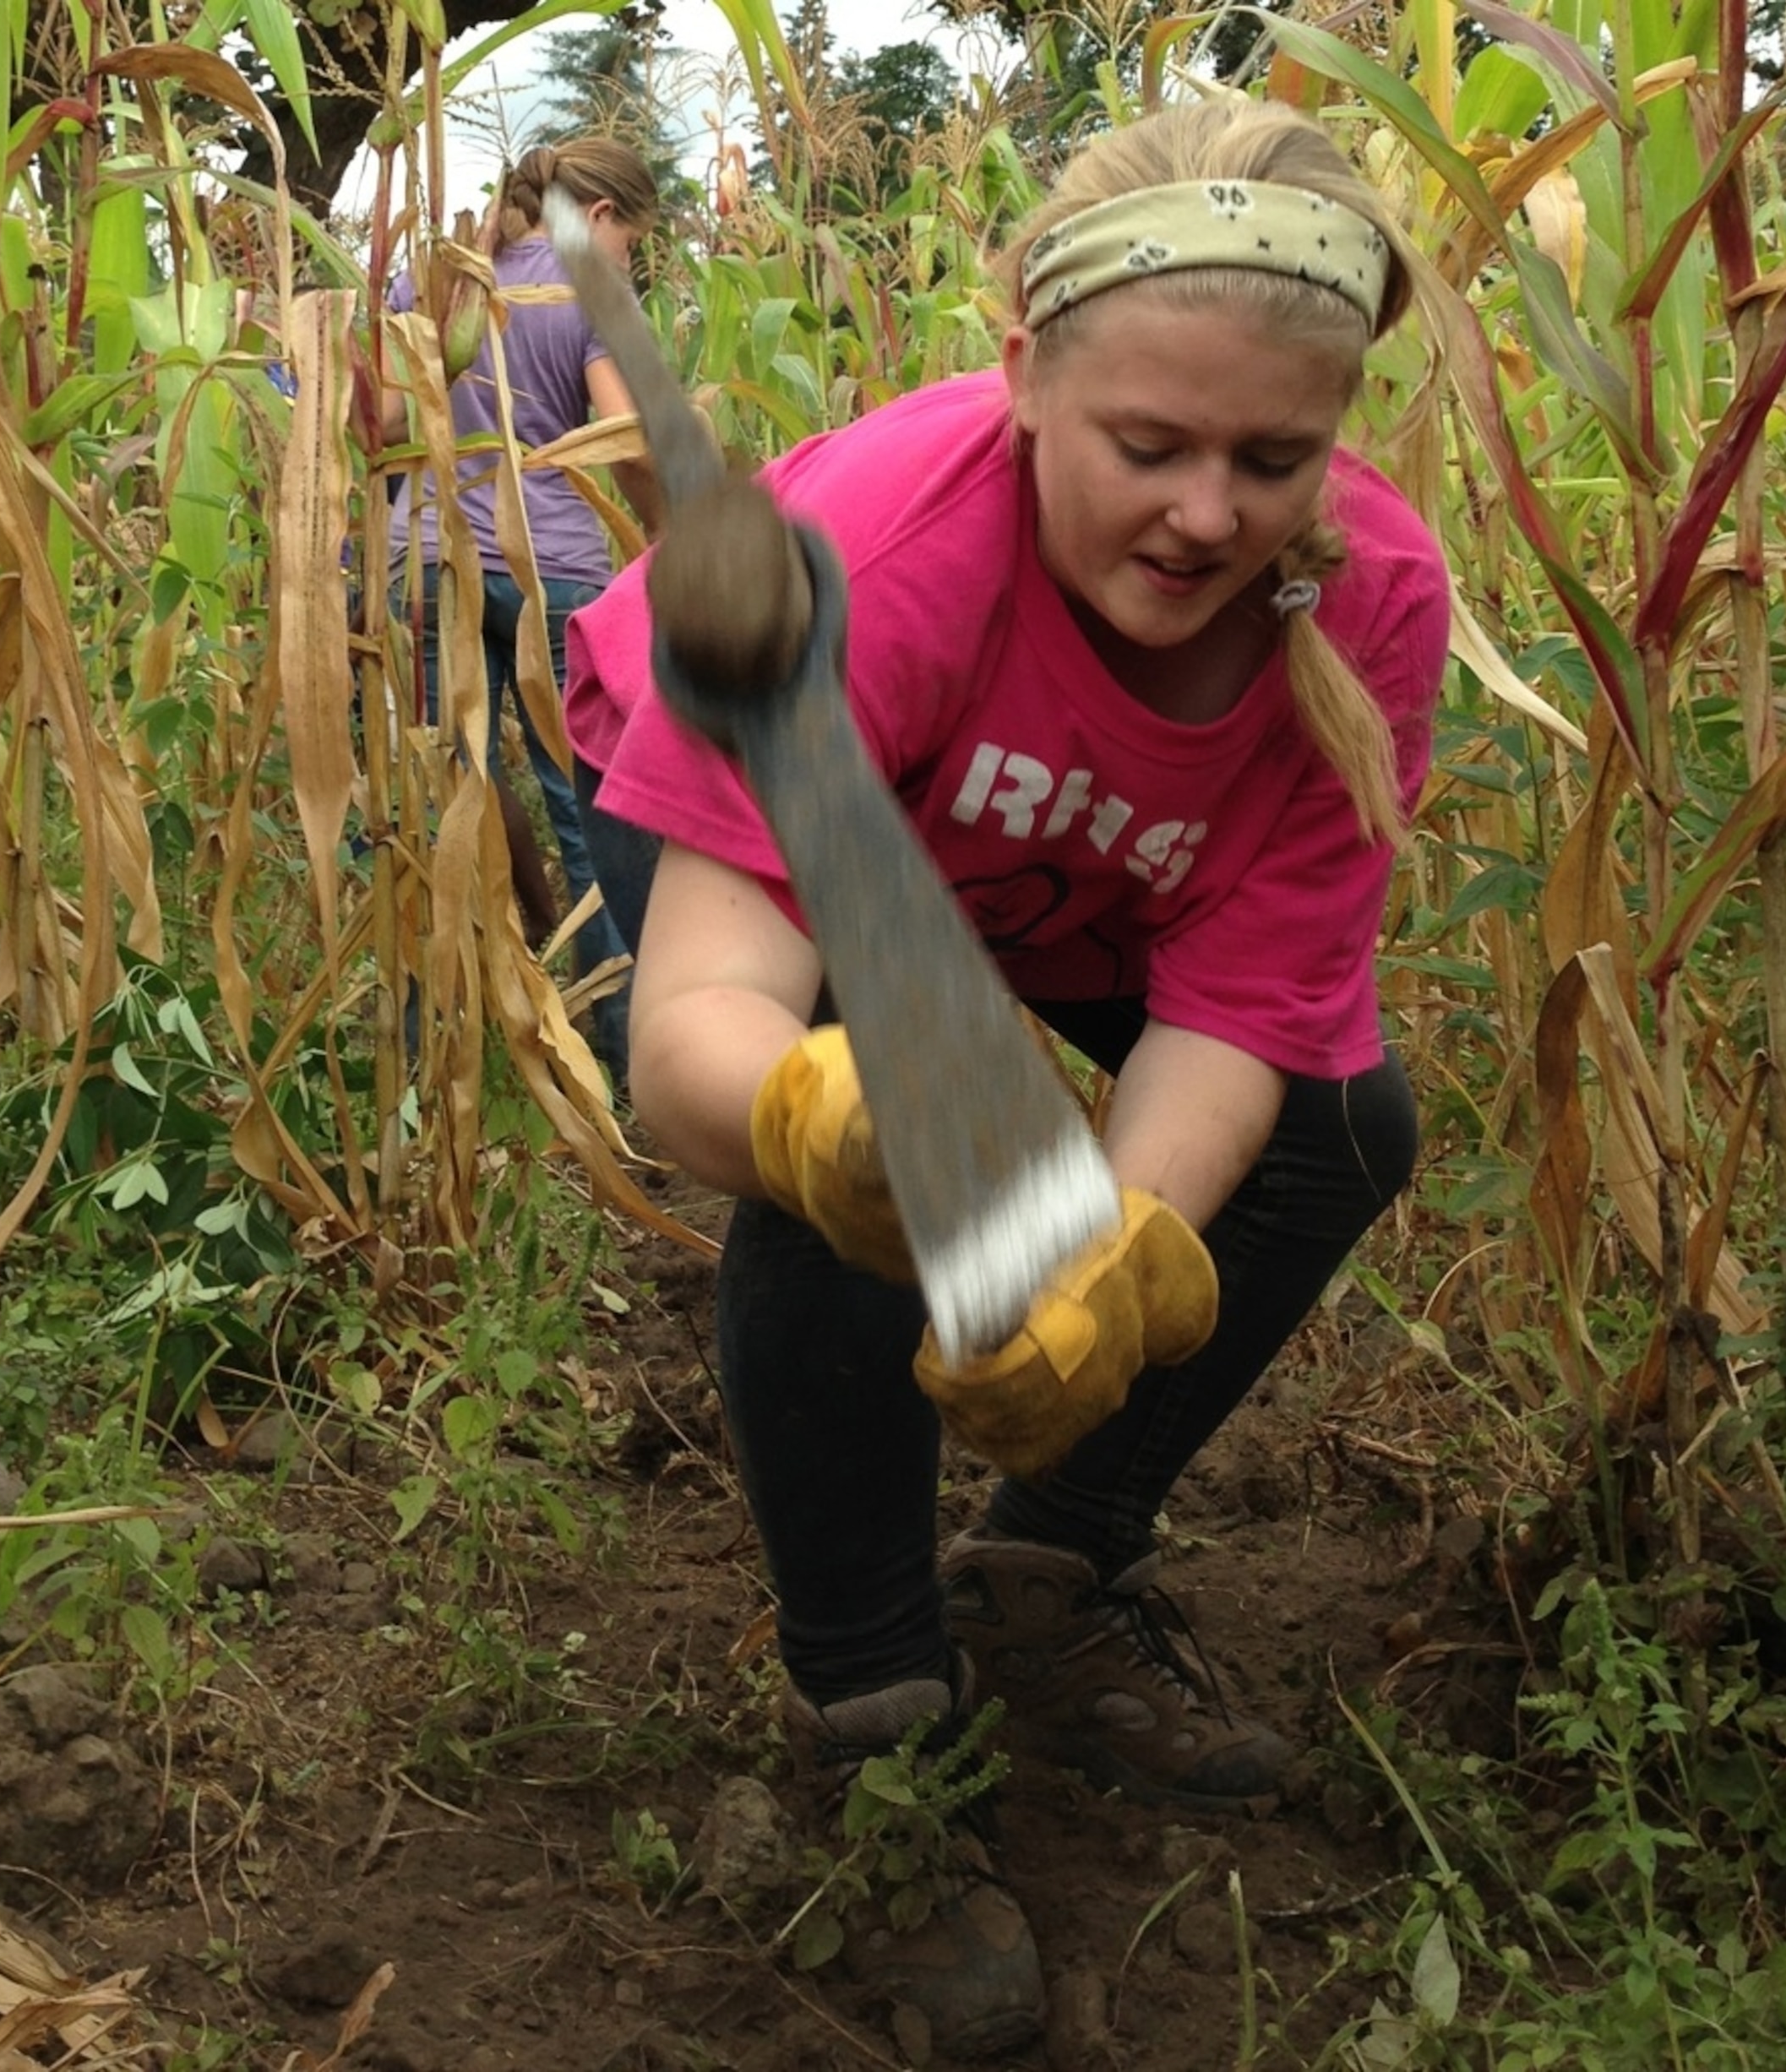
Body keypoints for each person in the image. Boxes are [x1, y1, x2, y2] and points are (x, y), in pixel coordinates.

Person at [561, 97, 1446, 2053]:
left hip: (1053, 864)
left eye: (1269, 458)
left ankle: (1044, 1574)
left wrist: (1119, 1237)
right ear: (1024, 371)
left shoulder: (1363, 603)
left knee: (1330, 1133)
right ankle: (870, 1721)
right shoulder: (858, 560)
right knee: (874, 1175)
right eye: (1146, 445)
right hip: (762, 806)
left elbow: (1240, 1003)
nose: (1208, 514)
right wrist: (823, 1120)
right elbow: (692, 1034)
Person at [383, 138, 663, 1081]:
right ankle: (619, 1070)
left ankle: (433, 1068)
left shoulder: (437, 274)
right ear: (606, 217)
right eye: (636, 241)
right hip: (556, 571)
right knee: (588, 822)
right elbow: (626, 439)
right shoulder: (591, 284)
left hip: (425, 558)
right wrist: (670, 537)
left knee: (439, 810)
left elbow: (377, 423)